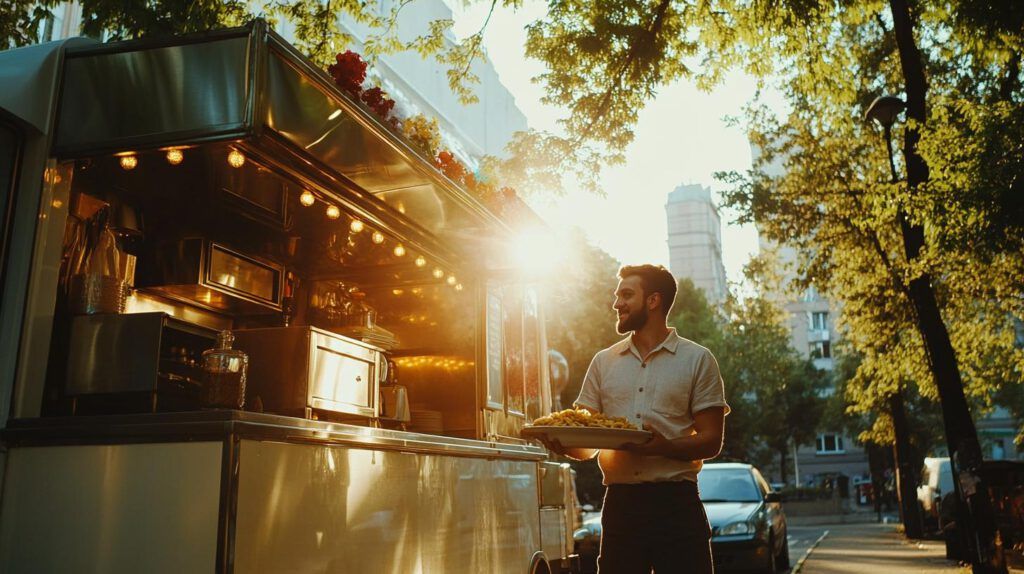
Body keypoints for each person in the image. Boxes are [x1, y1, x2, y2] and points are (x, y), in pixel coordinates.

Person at [548, 264, 729, 574]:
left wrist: (662, 447)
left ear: (653, 301)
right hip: (622, 506)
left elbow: (711, 440)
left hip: (677, 505)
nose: (617, 303)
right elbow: (587, 447)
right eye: (617, 296)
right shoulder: (603, 362)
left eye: (626, 295)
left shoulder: (697, 359)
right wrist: (559, 443)